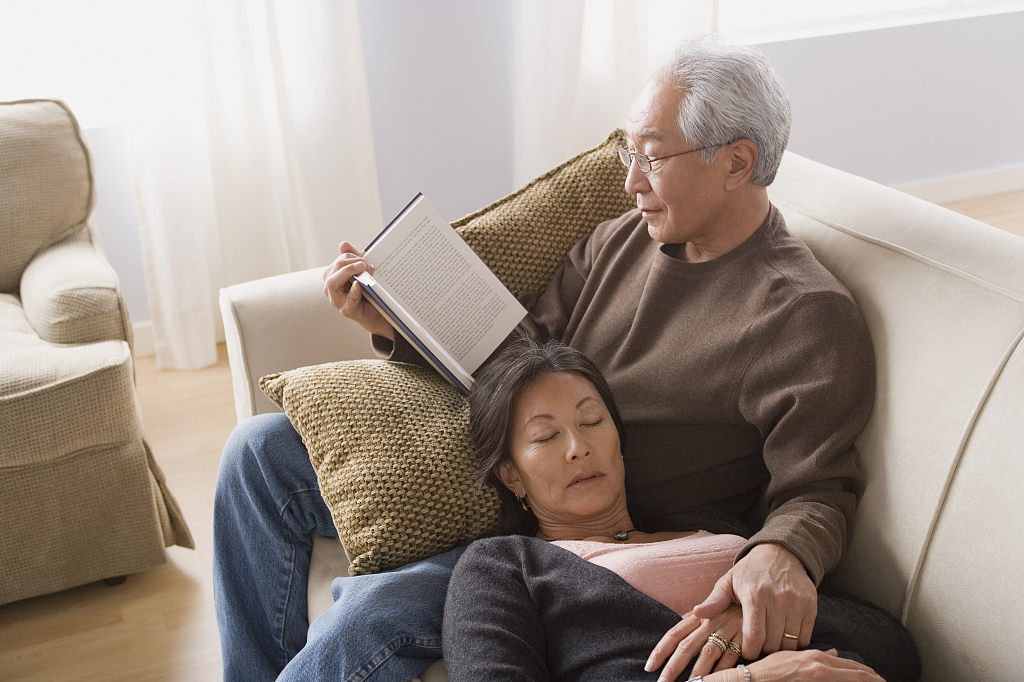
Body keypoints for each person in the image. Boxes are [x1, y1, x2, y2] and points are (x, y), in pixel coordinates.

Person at [215, 35, 877, 681]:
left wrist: (783, 552)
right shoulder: (622, 242)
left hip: (596, 547)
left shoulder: (802, 315)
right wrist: (398, 322)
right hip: (521, 471)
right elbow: (527, 359)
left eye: (652, 156)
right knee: (257, 454)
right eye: (628, 151)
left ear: (736, 163)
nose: (630, 181)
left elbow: (818, 486)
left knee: (371, 613)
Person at [443, 337, 918, 682]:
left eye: (592, 421)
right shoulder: (501, 568)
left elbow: (895, 648)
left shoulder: (714, 528)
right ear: (510, 475)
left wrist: (750, 618)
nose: (577, 448)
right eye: (546, 437)